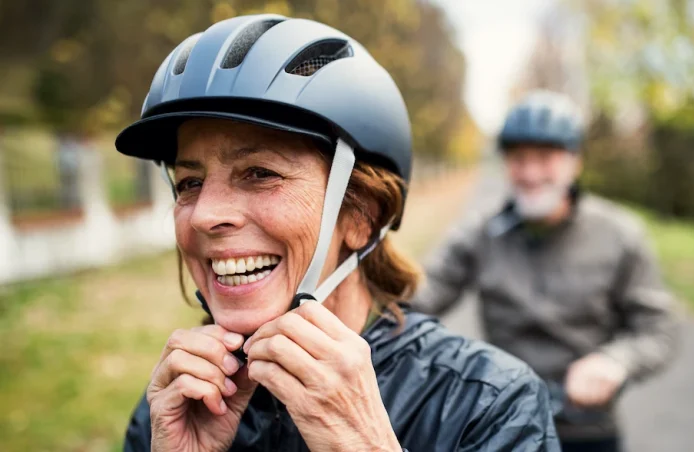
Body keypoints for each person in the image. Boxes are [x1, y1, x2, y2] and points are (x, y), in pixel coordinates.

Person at [116, 15, 560, 452]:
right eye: (190, 183)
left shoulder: (492, 407)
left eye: (259, 173)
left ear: (362, 216)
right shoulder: (175, 401)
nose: (203, 216)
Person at [411, 90, 679, 452]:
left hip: (588, 429)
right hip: (503, 425)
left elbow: (658, 329)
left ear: (575, 162)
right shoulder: (479, 233)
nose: (531, 172)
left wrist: (615, 362)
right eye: (519, 158)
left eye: (546, 157)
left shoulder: (620, 235)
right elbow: (420, 297)